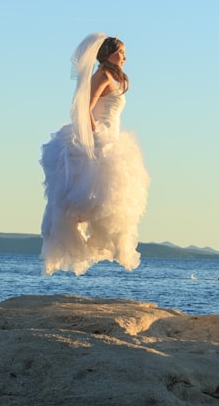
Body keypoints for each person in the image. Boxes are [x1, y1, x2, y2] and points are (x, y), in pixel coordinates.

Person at [38, 33, 150, 275]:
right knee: (92, 195)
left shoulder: (112, 77)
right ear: (109, 53)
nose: (125, 57)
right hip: (101, 137)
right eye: (121, 52)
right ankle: (79, 232)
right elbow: (83, 107)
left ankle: (92, 241)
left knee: (110, 199)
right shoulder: (102, 76)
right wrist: (94, 133)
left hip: (112, 136)